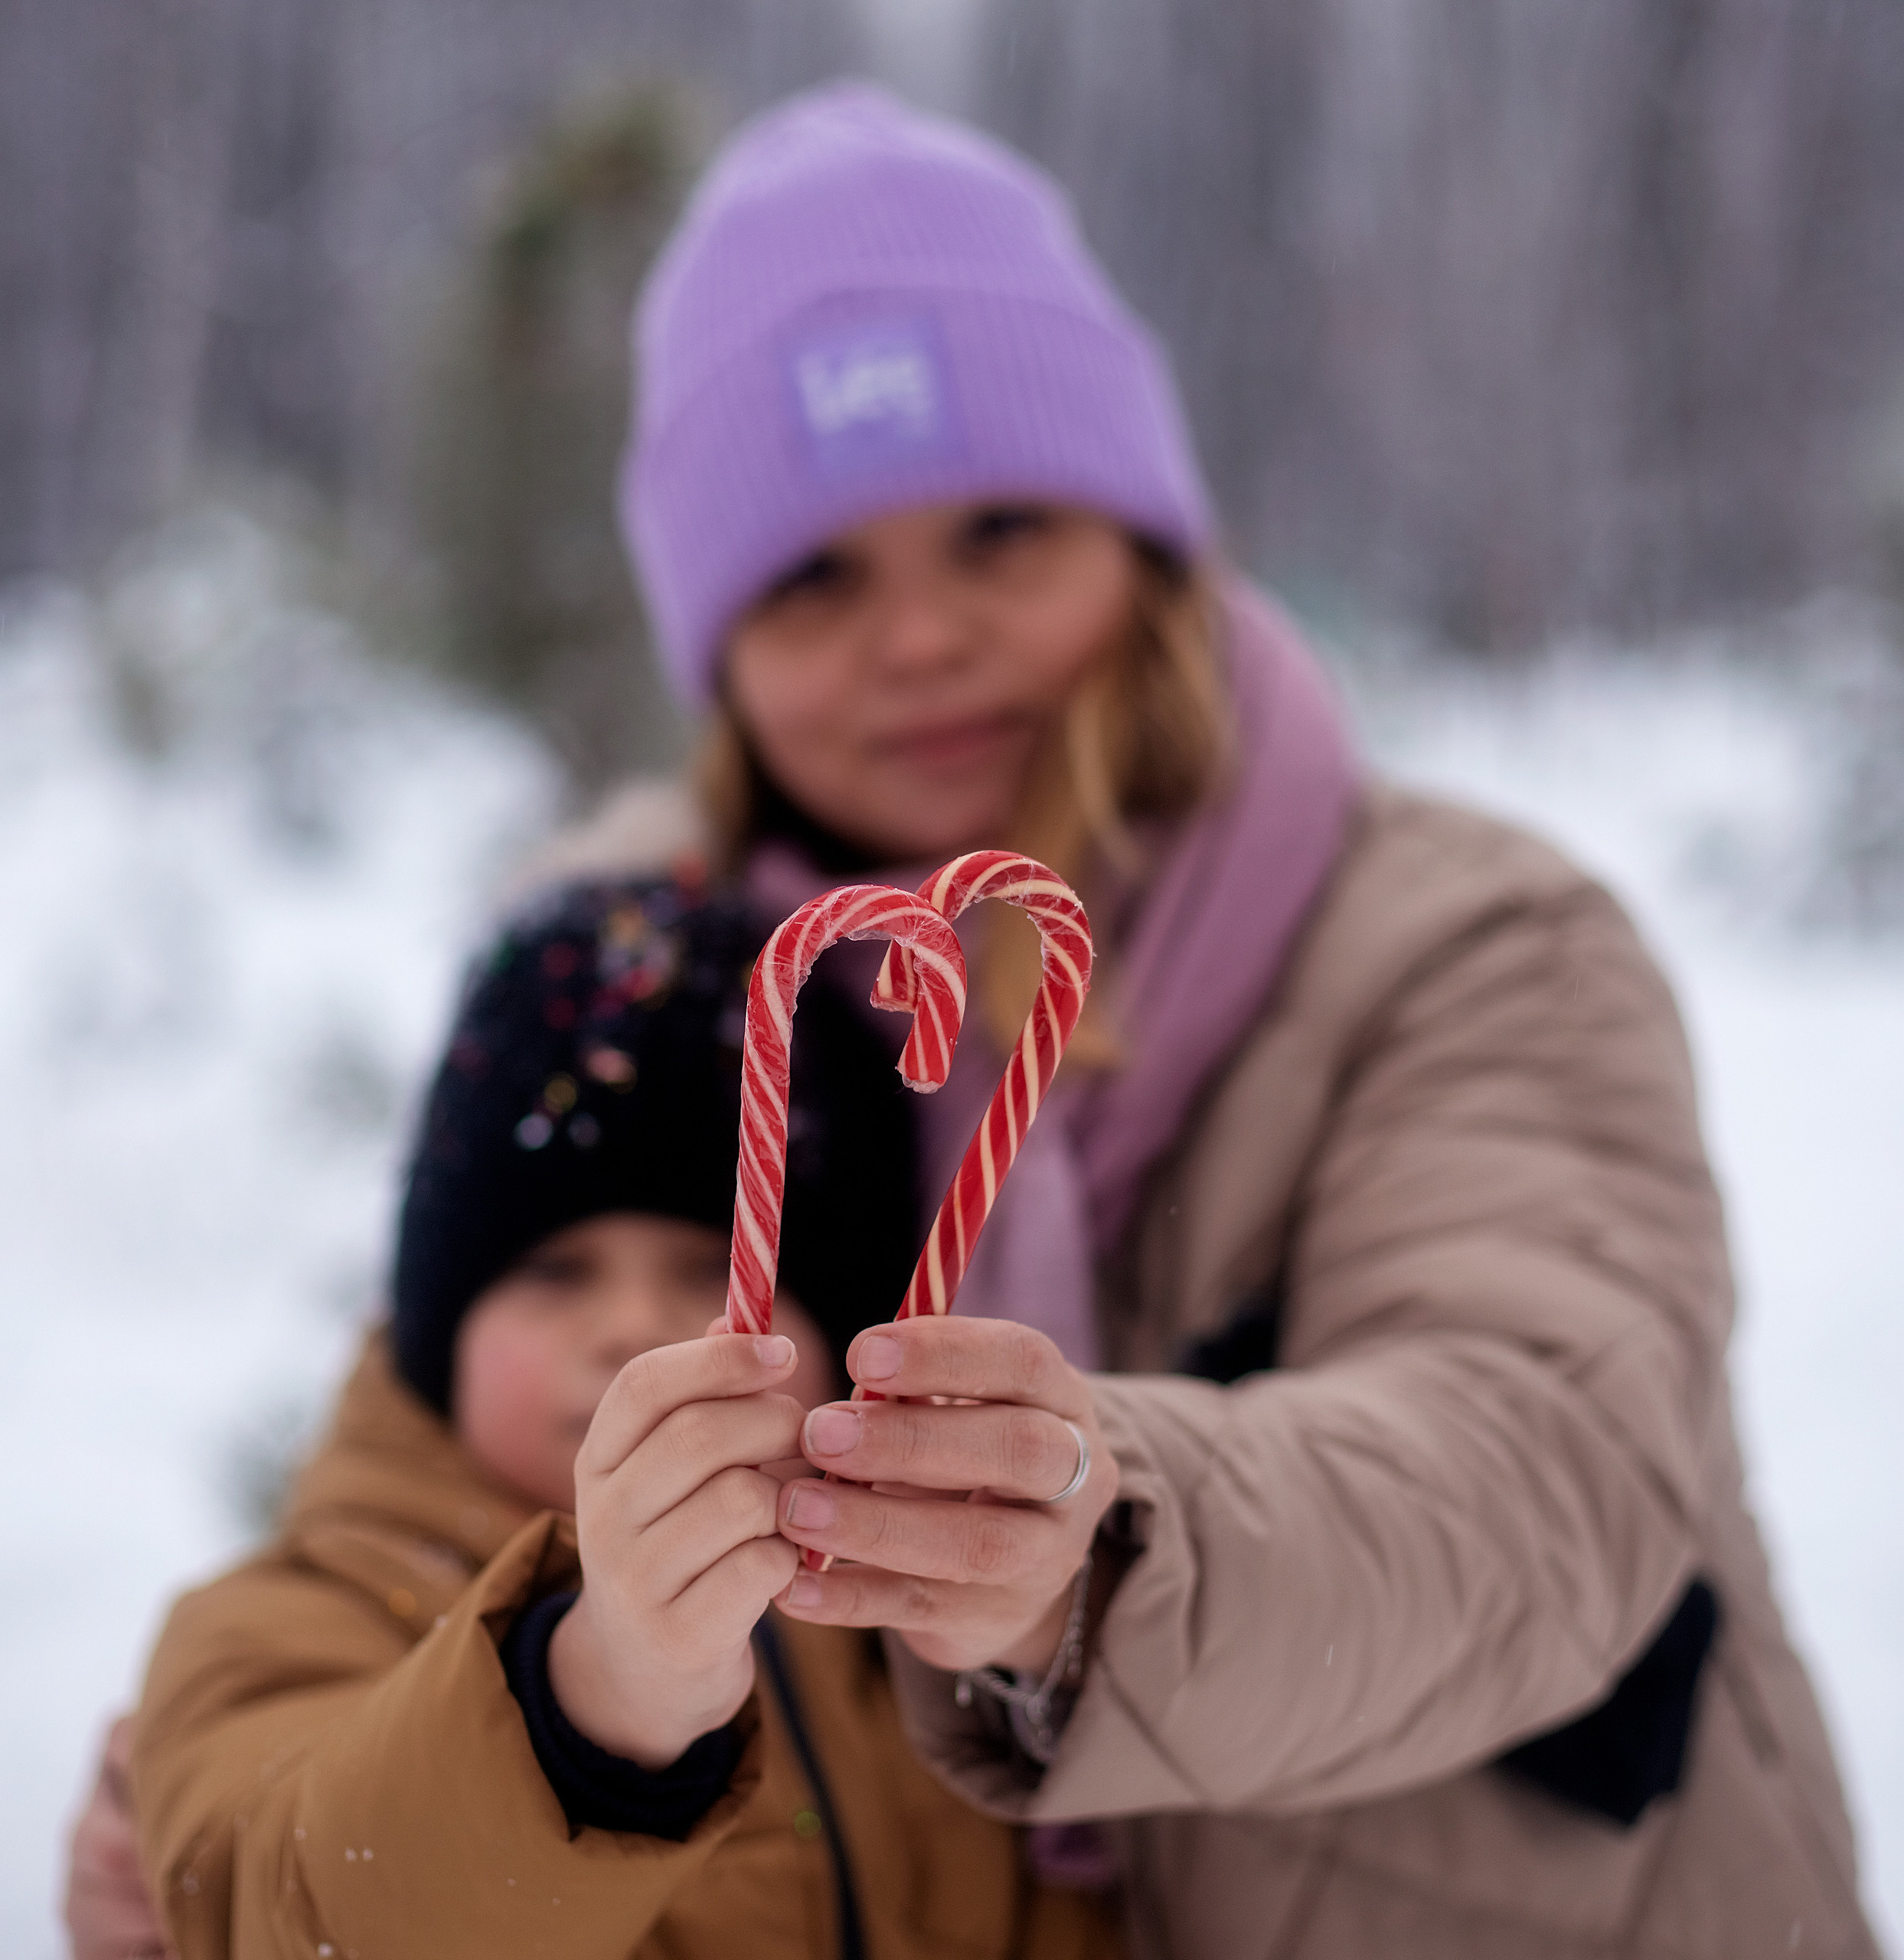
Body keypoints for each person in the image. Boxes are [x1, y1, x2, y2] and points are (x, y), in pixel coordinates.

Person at [594, 82, 1873, 1958]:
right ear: (713, 653)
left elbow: (1541, 1474)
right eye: (813, 575)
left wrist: (1088, 1544)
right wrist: (255, 1808)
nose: (919, 635)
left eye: (1000, 529)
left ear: (1145, 542)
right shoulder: (643, 996)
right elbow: (422, 1479)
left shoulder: (1467, 947)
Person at [102, 874, 1121, 1958]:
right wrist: (600, 1694)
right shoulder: (283, 1620)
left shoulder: (925, 1646)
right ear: (438, 1332)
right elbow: (286, 1904)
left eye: (710, 1262)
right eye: (555, 1271)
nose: (634, 1323)